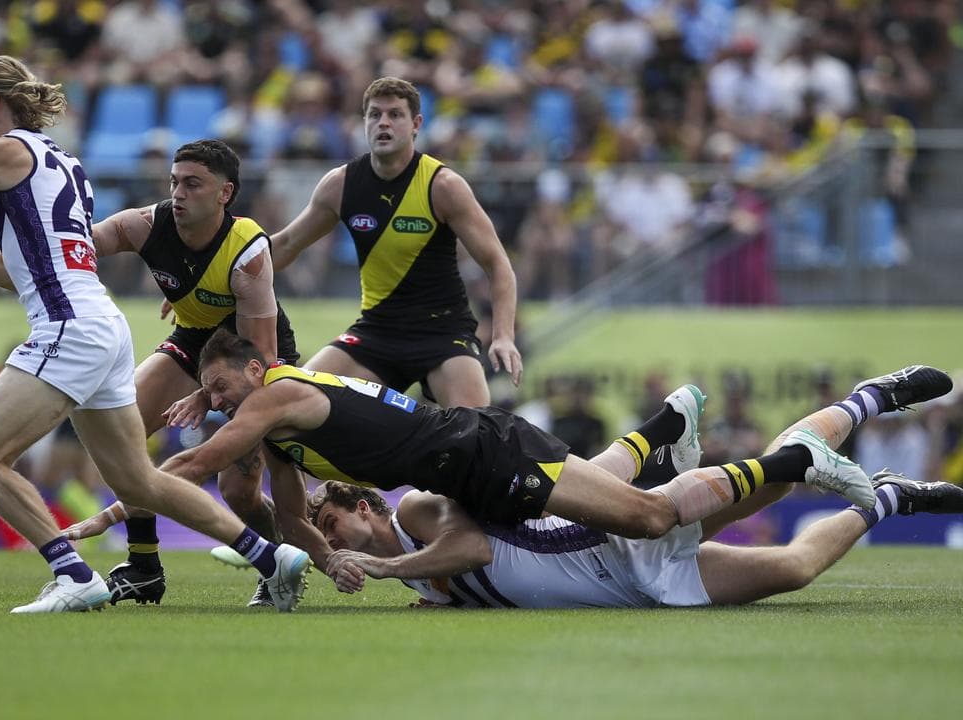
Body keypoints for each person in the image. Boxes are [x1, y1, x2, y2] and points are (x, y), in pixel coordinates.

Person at [0, 55, 309, 612]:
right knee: (138, 482)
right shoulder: (63, 162)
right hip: (102, 325)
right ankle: (270, 557)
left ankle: (74, 574)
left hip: (68, 328)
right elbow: (16, 272)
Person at [66, 337, 947, 593]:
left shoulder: (279, 399)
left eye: (221, 386)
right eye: (211, 393)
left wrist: (119, 504)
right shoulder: (276, 429)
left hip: (477, 452)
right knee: (622, 496)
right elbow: (281, 510)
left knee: (650, 513)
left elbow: (205, 462)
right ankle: (867, 419)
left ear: (254, 371)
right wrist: (321, 559)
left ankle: (790, 453)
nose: (217, 401)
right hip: (481, 463)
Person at [0, 139, 298, 606]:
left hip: (250, 360)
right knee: (123, 438)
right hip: (194, 342)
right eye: (174, 182)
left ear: (225, 194)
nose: (178, 193)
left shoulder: (247, 252)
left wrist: (206, 395)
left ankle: (275, 564)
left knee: (238, 491)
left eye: (193, 184)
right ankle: (145, 566)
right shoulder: (144, 225)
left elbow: (260, 355)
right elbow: (60, 250)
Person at [310, 366, 958, 607]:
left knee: (773, 482)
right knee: (793, 569)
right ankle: (890, 497)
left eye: (331, 527)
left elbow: (473, 549)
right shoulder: (420, 578)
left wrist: (386, 568)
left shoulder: (414, 511)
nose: (332, 544)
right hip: (627, 587)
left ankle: (867, 400)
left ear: (365, 506)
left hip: (602, 539)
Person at [270, 76, 522, 409]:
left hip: (443, 333)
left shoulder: (443, 185)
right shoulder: (341, 184)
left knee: (476, 429)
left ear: (416, 124)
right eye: (375, 115)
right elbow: (286, 244)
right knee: (286, 404)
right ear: (364, 123)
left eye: (395, 115)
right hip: (377, 331)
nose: (383, 123)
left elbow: (498, 264)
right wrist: (224, 267)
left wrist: (503, 336)